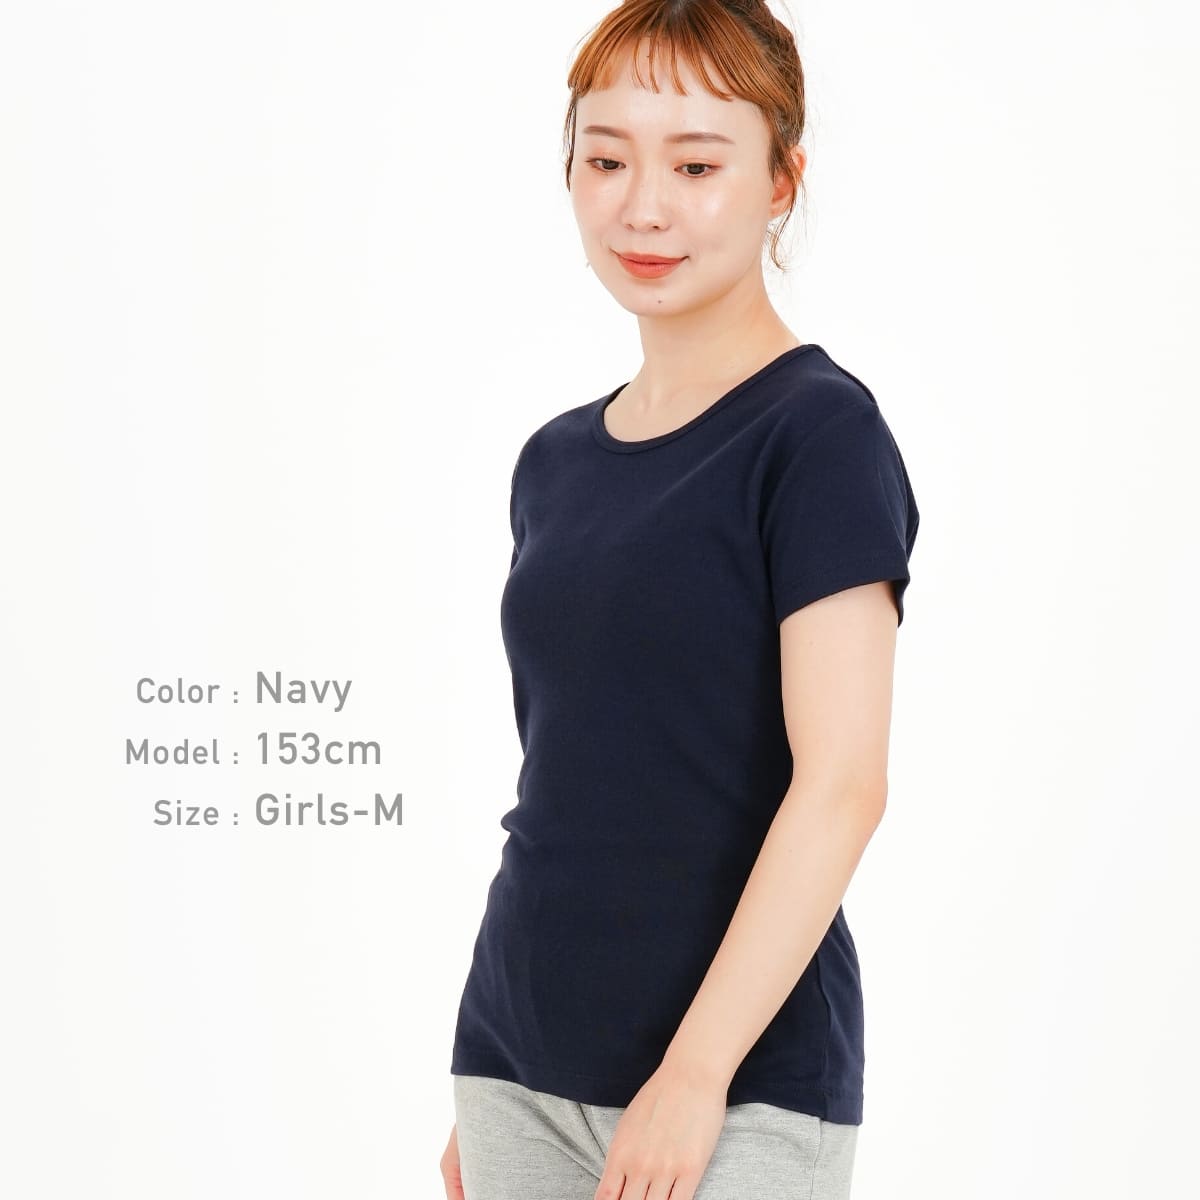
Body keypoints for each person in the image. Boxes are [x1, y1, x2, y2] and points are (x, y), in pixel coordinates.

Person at [441, 2, 920, 1197]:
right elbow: (570, 777)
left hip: (739, 1086)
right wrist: (490, 1085)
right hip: (515, 1061)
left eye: (697, 166)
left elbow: (843, 786)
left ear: (780, 181)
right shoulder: (554, 461)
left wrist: (695, 1073)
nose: (642, 208)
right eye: (606, 160)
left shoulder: (818, 436)